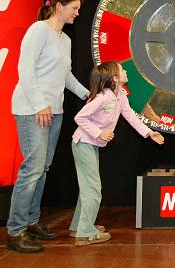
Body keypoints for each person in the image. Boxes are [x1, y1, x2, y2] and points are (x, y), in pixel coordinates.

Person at [7, 0, 89, 253]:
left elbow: (66, 76)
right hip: (33, 109)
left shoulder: (65, 40)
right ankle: (15, 230)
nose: (77, 13)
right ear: (59, 7)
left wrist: (88, 94)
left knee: (42, 168)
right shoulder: (38, 30)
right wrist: (39, 104)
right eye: (74, 8)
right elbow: (25, 69)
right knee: (32, 168)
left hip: (54, 111)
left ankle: (31, 222)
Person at [69, 61, 165, 246]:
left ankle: (78, 227)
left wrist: (149, 133)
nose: (126, 71)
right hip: (83, 144)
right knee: (93, 189)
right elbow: (79, 117)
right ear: (115, 78)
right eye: (122, 70)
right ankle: (85, 233)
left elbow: (130, 116)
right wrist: (99, 133)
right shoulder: (103, 97)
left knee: (88, 188)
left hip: (90, 145)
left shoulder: (120, 95)